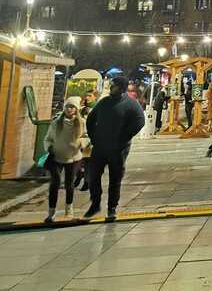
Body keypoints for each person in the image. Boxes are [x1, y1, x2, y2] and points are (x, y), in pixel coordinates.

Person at [83, 75, 145, 220]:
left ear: (121, 88)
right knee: (93, 176)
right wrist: (94, 137)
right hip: (100, 146)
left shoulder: (131, 104)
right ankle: (95, 203)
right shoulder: (104, 102)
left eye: (114, 86)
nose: (111, 88)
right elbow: (91, 119)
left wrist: (125, 136)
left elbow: (139, 121)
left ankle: (112, 208)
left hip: (118, 149)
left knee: (115, 179)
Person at [43, 97, 84, 222]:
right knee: (54, 183)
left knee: (69, 184)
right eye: (67, 107)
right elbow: (48, 138)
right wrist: (49, 147)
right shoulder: (56, 123)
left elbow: (87, 136)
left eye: (72, 107)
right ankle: (51, 212)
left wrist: (81, 143)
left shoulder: (81, 122)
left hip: (74, 157)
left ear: (76, 109)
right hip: (56, 156)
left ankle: (69, 210)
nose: (70, 109)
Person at [75, 91, 96, 192]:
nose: (87, 98)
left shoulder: (96, 109)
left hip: (90, 139)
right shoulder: (81, 109)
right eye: (86, 96)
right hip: (79, 138)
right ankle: (79, 175)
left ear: (95, 98)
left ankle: (86, 182)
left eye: (90, 96)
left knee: (87, 161)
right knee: (77, 160)